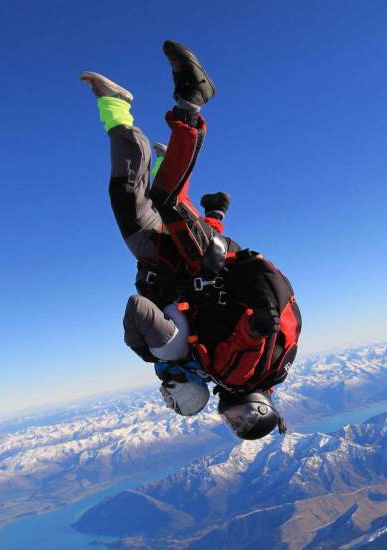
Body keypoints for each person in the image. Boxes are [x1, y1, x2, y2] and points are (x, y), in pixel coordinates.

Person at [81, 41, 301, 440]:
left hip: (203, 266)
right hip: (201, 266)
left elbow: (229, 313)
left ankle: (142, 134)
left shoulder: (268, 370)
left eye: (230, 426)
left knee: (143, 202)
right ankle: (192, 102)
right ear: (256, 408)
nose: (228, 418)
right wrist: (150, 351)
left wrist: (216, 217)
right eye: (238, 421)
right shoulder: (239, 373)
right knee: (164, 201)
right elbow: (246, 335)